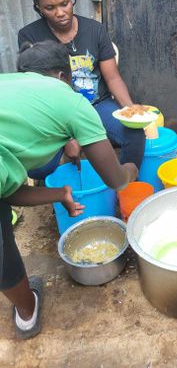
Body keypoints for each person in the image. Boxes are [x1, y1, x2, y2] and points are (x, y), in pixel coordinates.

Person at [0, 41, 138, 339]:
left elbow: (6, 192)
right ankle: (26, 312)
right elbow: (116, 181)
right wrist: (131, 170)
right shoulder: (72, 101)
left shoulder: (7, 84)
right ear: (63, 76)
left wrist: (59, 194)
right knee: (3, 255)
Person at [18, 0, 145, 178]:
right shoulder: (30, 36)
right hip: (55, 113)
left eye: (64, 3)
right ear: (38, 7)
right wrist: (69, 137)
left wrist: (131, 111)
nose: (60, 12)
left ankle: (125, 188)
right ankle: (62, 193)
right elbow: (36, 92)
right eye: (50, 7)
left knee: (134, 135)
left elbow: (113, 78)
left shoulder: (95, 30)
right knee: (38, 167)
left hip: (96, 105)